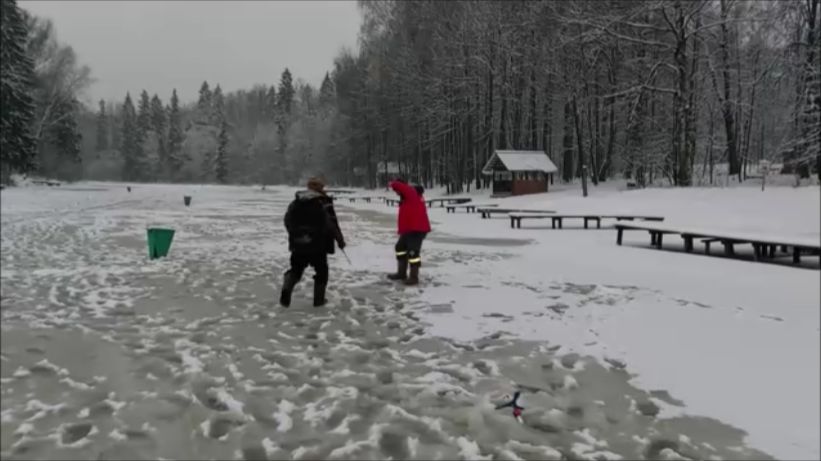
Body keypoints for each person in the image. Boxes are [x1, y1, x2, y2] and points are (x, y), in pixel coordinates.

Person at [280, 177, 345, 307]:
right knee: (321, 271)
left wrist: (296, 235)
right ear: (320, 188)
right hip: (318, 244)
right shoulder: (323, 202)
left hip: (298, 243)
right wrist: (340, 240)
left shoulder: (296, 201)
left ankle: (287, 288)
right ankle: (318, 300)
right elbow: (331, 223)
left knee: (296, 269)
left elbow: (287, 220)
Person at [387, 177, 430, 285]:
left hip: (416, 229)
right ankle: (401, 273)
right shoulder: (407, 197)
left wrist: (392, 183)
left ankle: (413, 277)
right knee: (400, 248)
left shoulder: (411, 193)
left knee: (413, 253)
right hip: (409, 229)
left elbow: (399, 186)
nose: (396, 193)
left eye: (397, 191)